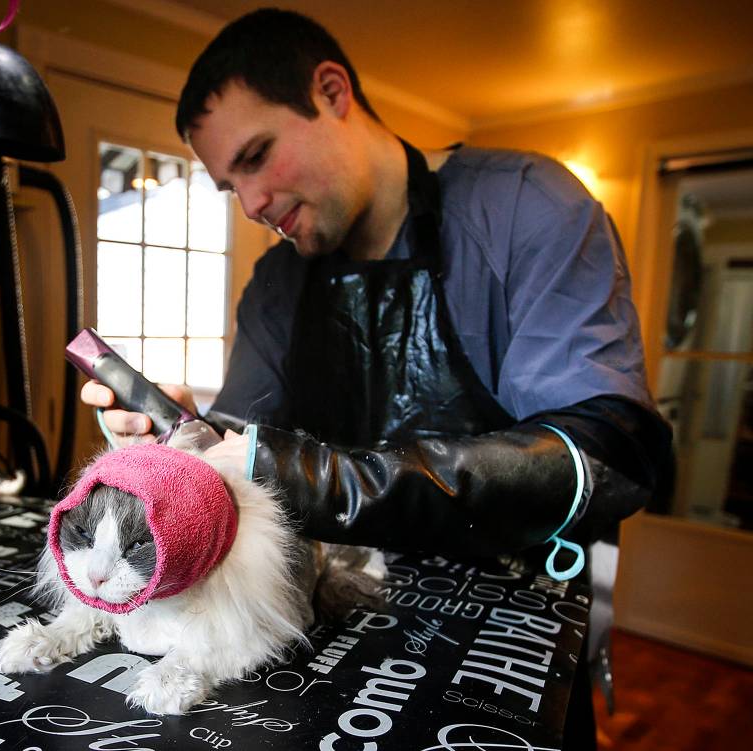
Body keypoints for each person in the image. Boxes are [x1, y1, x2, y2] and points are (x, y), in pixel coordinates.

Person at [81, 9, 673, 748]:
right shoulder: (274, 286)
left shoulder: (529, 209)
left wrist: (330, 476)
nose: (255, 205)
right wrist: (178, 437)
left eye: (257, 156)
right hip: (328, 647)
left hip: (506, 642)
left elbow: (606, 453)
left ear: (332, 93)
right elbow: (243, 461)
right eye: (232, 188)